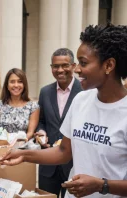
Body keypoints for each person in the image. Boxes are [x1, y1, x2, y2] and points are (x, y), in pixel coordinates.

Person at [0, 23, 127, 198]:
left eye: (83, 63)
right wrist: (25, 155)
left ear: (109, 65)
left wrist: (101, 185)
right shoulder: (81, 100)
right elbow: (63, 151)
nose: (77, 69)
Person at [35, 48, 82, 198]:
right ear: (51, 68)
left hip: (75, 164)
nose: (60, 70)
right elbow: (41, 121)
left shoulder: (85, 92)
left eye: (65, 65)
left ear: (73, 66)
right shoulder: (45, 92)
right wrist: (41, 132)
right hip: (48, 166)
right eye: (55, 66)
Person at [0, 68, 39, 140]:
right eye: (12, 82)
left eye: (20, 82)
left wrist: (17, 142)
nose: (16, 85)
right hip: (2, 146)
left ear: (24, 85)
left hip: (24, 146)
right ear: (7, 85)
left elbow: (30, 133)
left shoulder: (33, 107)